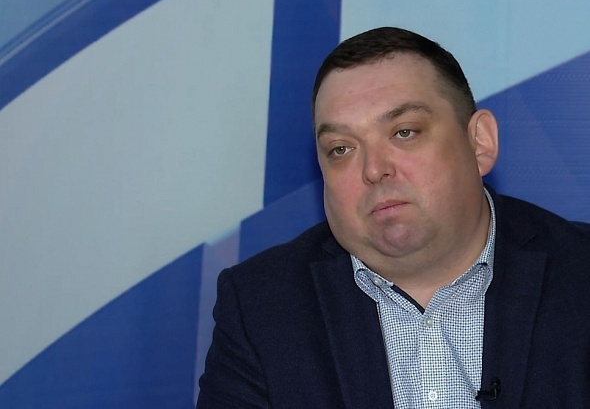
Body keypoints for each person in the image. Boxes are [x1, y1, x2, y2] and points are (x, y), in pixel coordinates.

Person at [196, 27, 590, 408]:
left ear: (479, 143)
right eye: (341, 149)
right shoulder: (262, 307)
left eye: (404, 132)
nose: (374, 169)